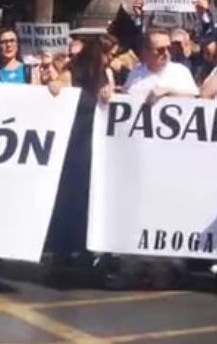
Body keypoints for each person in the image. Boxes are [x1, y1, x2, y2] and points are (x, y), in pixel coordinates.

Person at [46, 28, 113, 285]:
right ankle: (63, 250)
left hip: (97, 145)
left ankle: (87, 248)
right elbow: (59, 86)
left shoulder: (105, 74)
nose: (111, 60)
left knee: (91, 197)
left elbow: (112, 95)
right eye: (107, 54)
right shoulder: (72, 72)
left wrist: (110, 93)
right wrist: (55, 86)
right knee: (70, 195)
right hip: (75, 143)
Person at [123, 28, 200, 99]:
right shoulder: (136, 72)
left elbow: (193, 99)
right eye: (160, 50)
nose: (166, 53)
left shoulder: (180, 71)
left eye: (169, 48)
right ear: (146, 51)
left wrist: (169, 93)